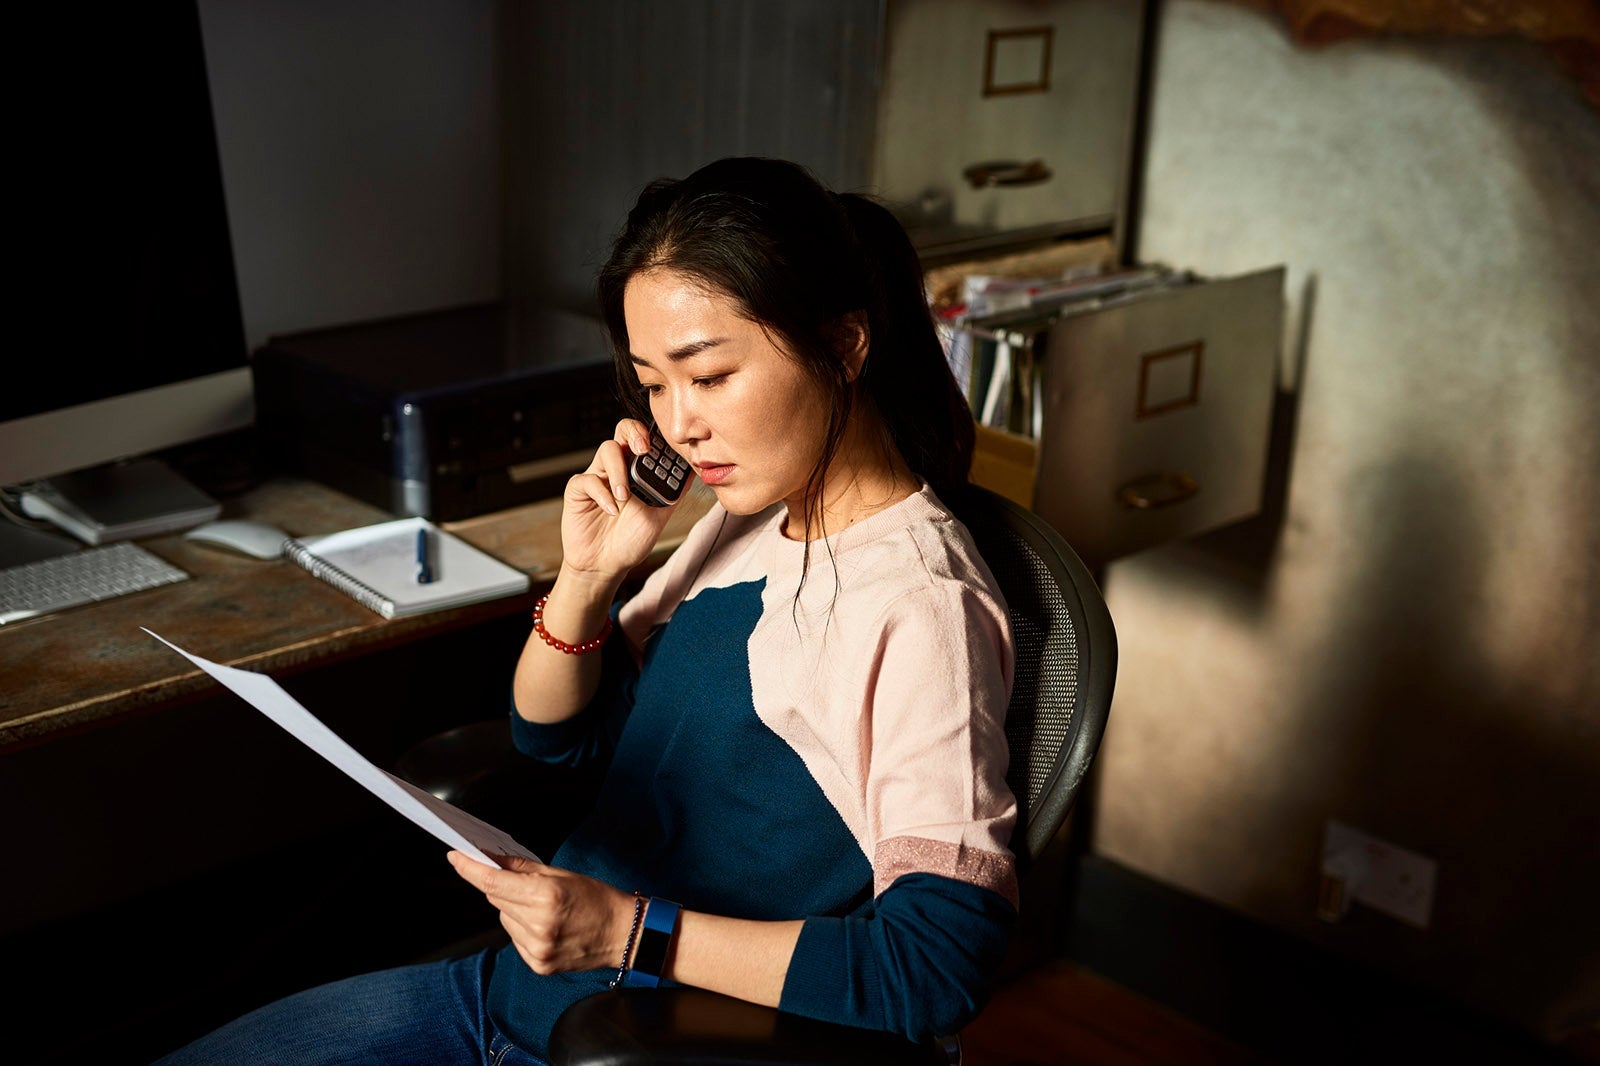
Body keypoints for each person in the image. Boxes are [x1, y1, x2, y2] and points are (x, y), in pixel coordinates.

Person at [157, 156, 1018, 1066]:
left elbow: (934, 967)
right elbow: (554, 738)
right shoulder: (749, 514)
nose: (678, 424)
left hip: (638, 1039)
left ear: (845, 346)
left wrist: (628, 932)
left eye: (710, 375)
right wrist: (587, 576)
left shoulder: (922, 608)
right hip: (520, 994)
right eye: (653, 383)